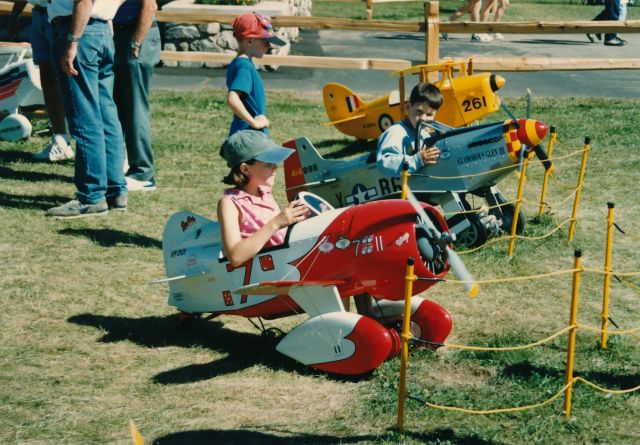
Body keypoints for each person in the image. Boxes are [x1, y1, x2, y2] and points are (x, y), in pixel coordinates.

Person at [46, 0, 128, 218]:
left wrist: (73, 41)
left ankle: (91, 196)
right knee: (106, 116)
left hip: (79, 31)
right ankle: (115, 190)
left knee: (85, 117)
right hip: (99, 30)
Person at [217, 130, 309, 267]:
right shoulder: (229, 203)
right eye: (268, 164)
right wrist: (276, 223)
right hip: (264, 278)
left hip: (286, 266)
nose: (276, 168)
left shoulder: (265, 193)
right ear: (245, 169)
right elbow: (235, 256)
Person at [8, 1, 73, 161]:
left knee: (70, 79)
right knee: (48, 77)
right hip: (39, 14)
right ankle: (60, 140)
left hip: (62, 17)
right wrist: (15, 14)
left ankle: (90, 146)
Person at [113, 0, 161, 192]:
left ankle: (143, 172)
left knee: (135, 107)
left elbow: (149, 6)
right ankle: (122, 162)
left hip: (137, 33)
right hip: (121, 33)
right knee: (120, 105)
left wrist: (136, 42)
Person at [226, 12, 286, 137]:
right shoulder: (244, 67)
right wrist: (254, 123)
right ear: (250, 40)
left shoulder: (239, 63)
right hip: (249, 137)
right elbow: (233, 98)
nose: (269, 45)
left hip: (246, 135)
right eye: (265, 41)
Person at [376, 83, 443, 178]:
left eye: (429, 114)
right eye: (419, 111)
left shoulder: (426, 132)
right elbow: (384, 163)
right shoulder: (395, 132)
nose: (423, 118)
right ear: (408, 107)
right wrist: (417, 160)